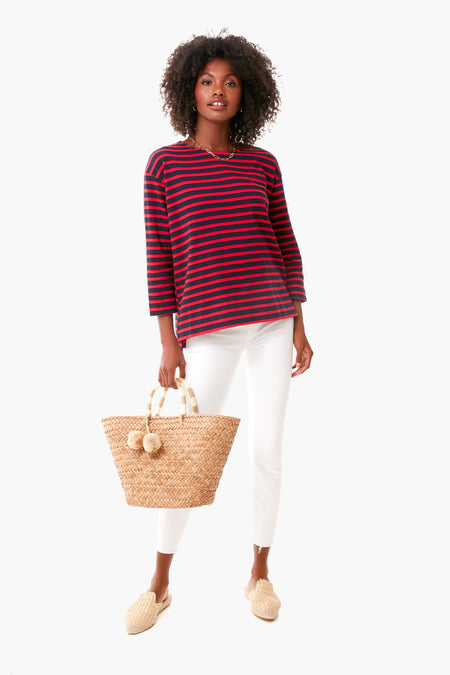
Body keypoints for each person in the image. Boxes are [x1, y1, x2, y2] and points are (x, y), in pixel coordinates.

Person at [125, 29, 313, 634]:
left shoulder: (262, 164)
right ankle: (159, 583)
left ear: (245, 92)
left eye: (230, 82)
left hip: (273, 321)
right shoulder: (164, 164)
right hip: (207, 329)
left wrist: (300, 325)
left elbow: (286, 245)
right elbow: (159, 257)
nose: (218, 91)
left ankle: (259, 573)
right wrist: (168, 340)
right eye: (207, 81)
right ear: (189, 90)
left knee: (266, 450)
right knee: (188, 456)